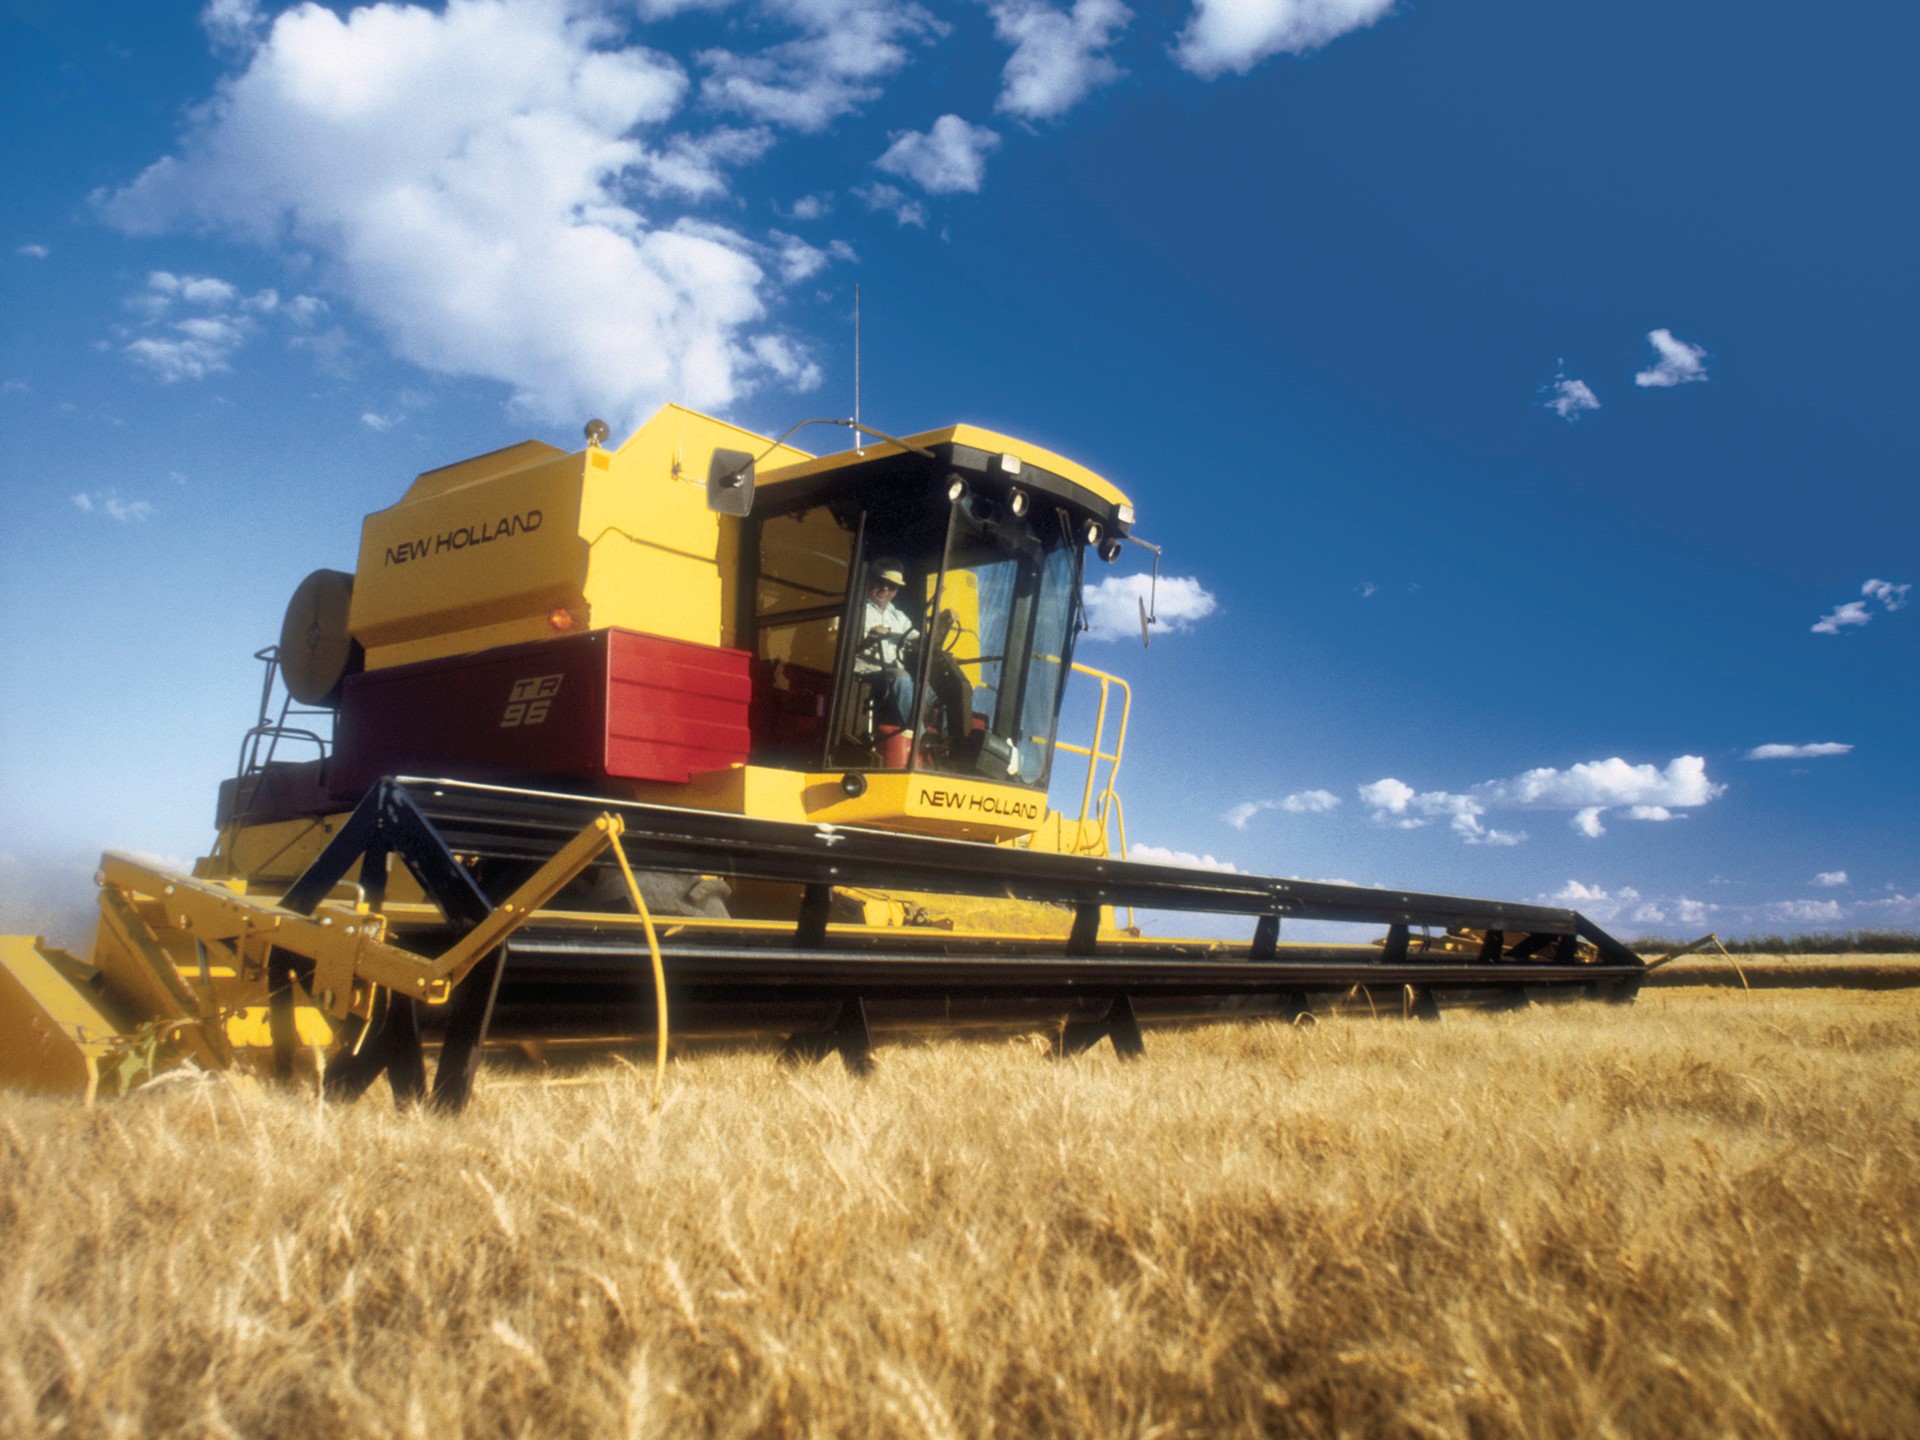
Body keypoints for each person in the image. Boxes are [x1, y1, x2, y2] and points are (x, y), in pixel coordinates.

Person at [856, 563, 919, 728]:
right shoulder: (856, 608)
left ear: (896, 591)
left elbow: (918, 641)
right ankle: (917, 737)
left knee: (933, 691)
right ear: (870, 581)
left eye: (892, 586)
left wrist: (941, 625)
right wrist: (868, 640)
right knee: (902, 678)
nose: (885, 589)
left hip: (890, 676)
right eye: (881, 582)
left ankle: (947, 745)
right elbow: (834, 643)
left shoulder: (898, 617)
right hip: (864, 673)